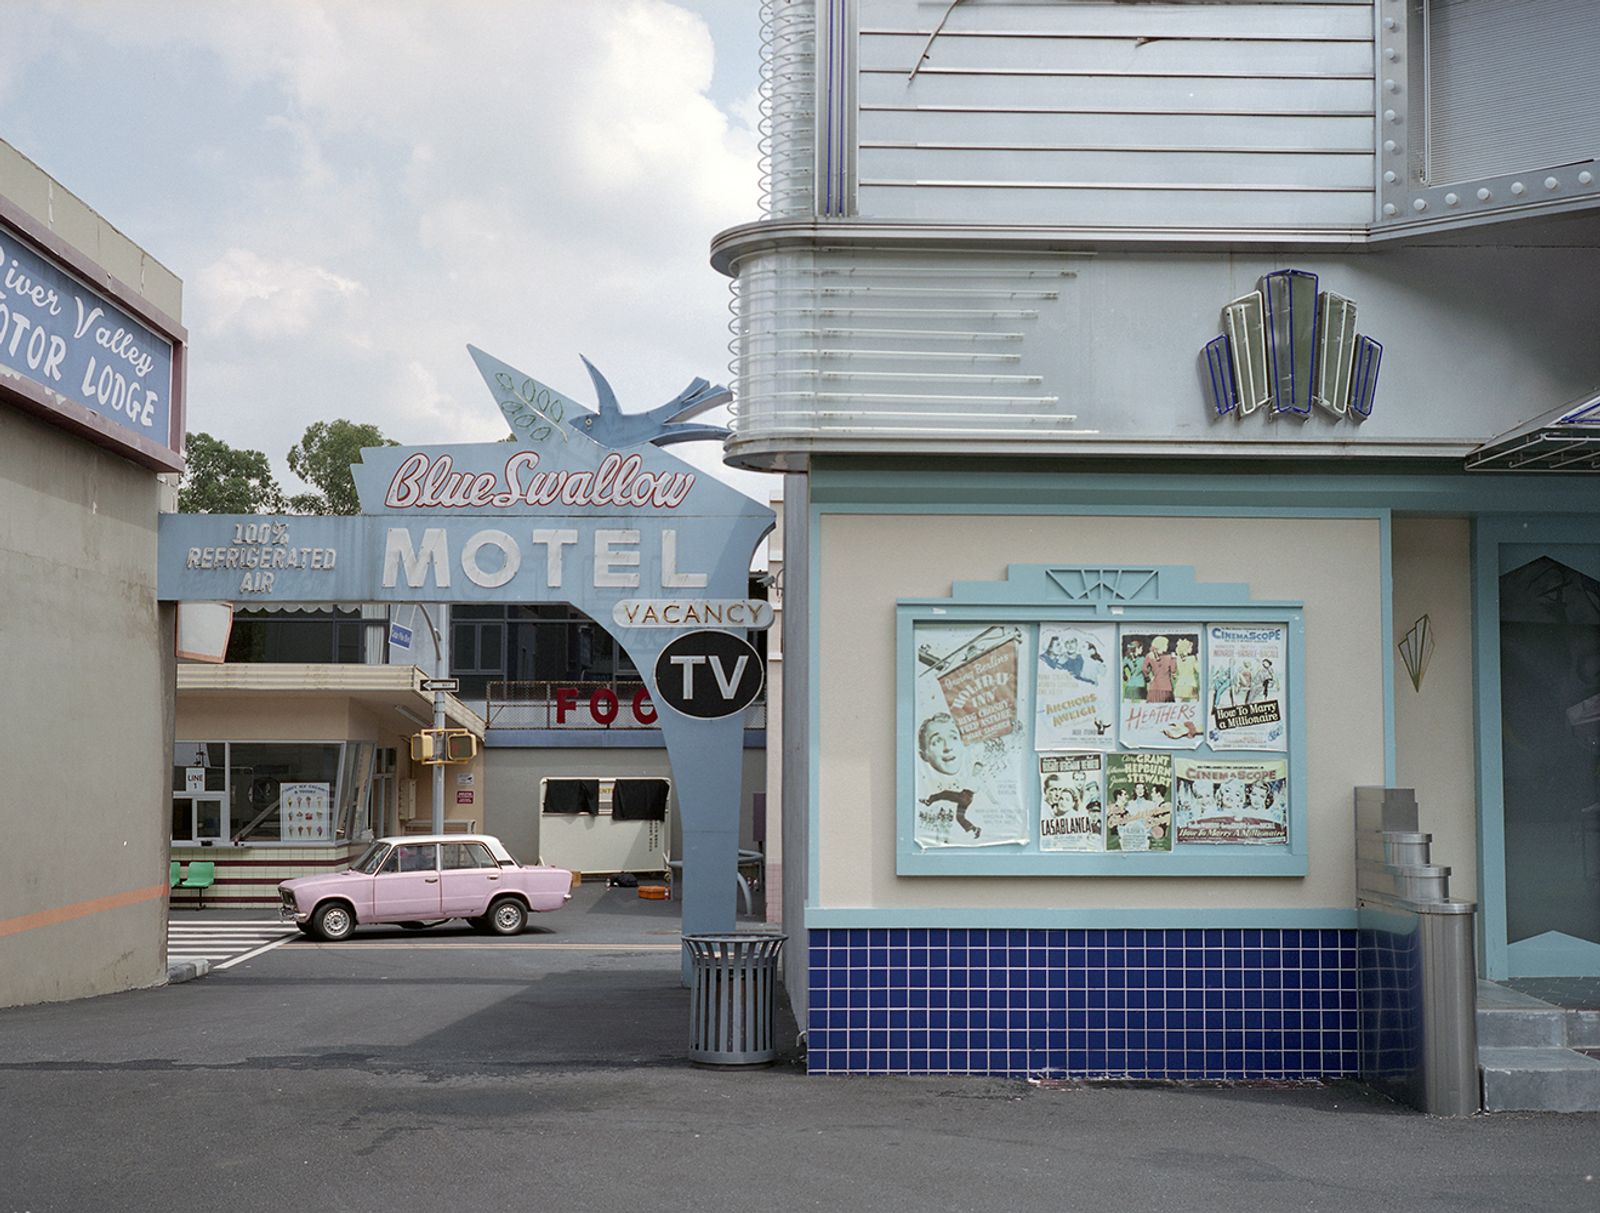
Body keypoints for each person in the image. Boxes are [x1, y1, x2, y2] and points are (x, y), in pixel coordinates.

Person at [917, 713, 982, 838]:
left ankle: (928, 801)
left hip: (965, 796)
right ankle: (974, 829)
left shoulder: (973, 776)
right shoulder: (971, 774)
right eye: (936, 742)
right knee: (959, 817)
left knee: (945, 794)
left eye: (953, 738)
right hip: (966, 798)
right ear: (923, 755)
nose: (948, 748)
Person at [1142, 635, 1177, 703]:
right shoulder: (1169, 657)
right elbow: (1173, 670)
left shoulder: (1149, 656)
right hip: (1167, 688)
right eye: (1166, 644)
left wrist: (1148, 679)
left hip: (1154, 688)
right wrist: (1174, 658)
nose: (1167, 646)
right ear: (1161, 645)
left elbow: (1144, 669)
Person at [1173, 636, 1200, 702]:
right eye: (1190, 647)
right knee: (1194, 701)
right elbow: (1198, 669)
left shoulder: (1177, 659)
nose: (1191, 648)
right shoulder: (1192, 658)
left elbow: (1174, 670)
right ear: (1186, 648)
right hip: (1190, 683)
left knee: (1178, 701)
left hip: (1180, 683)